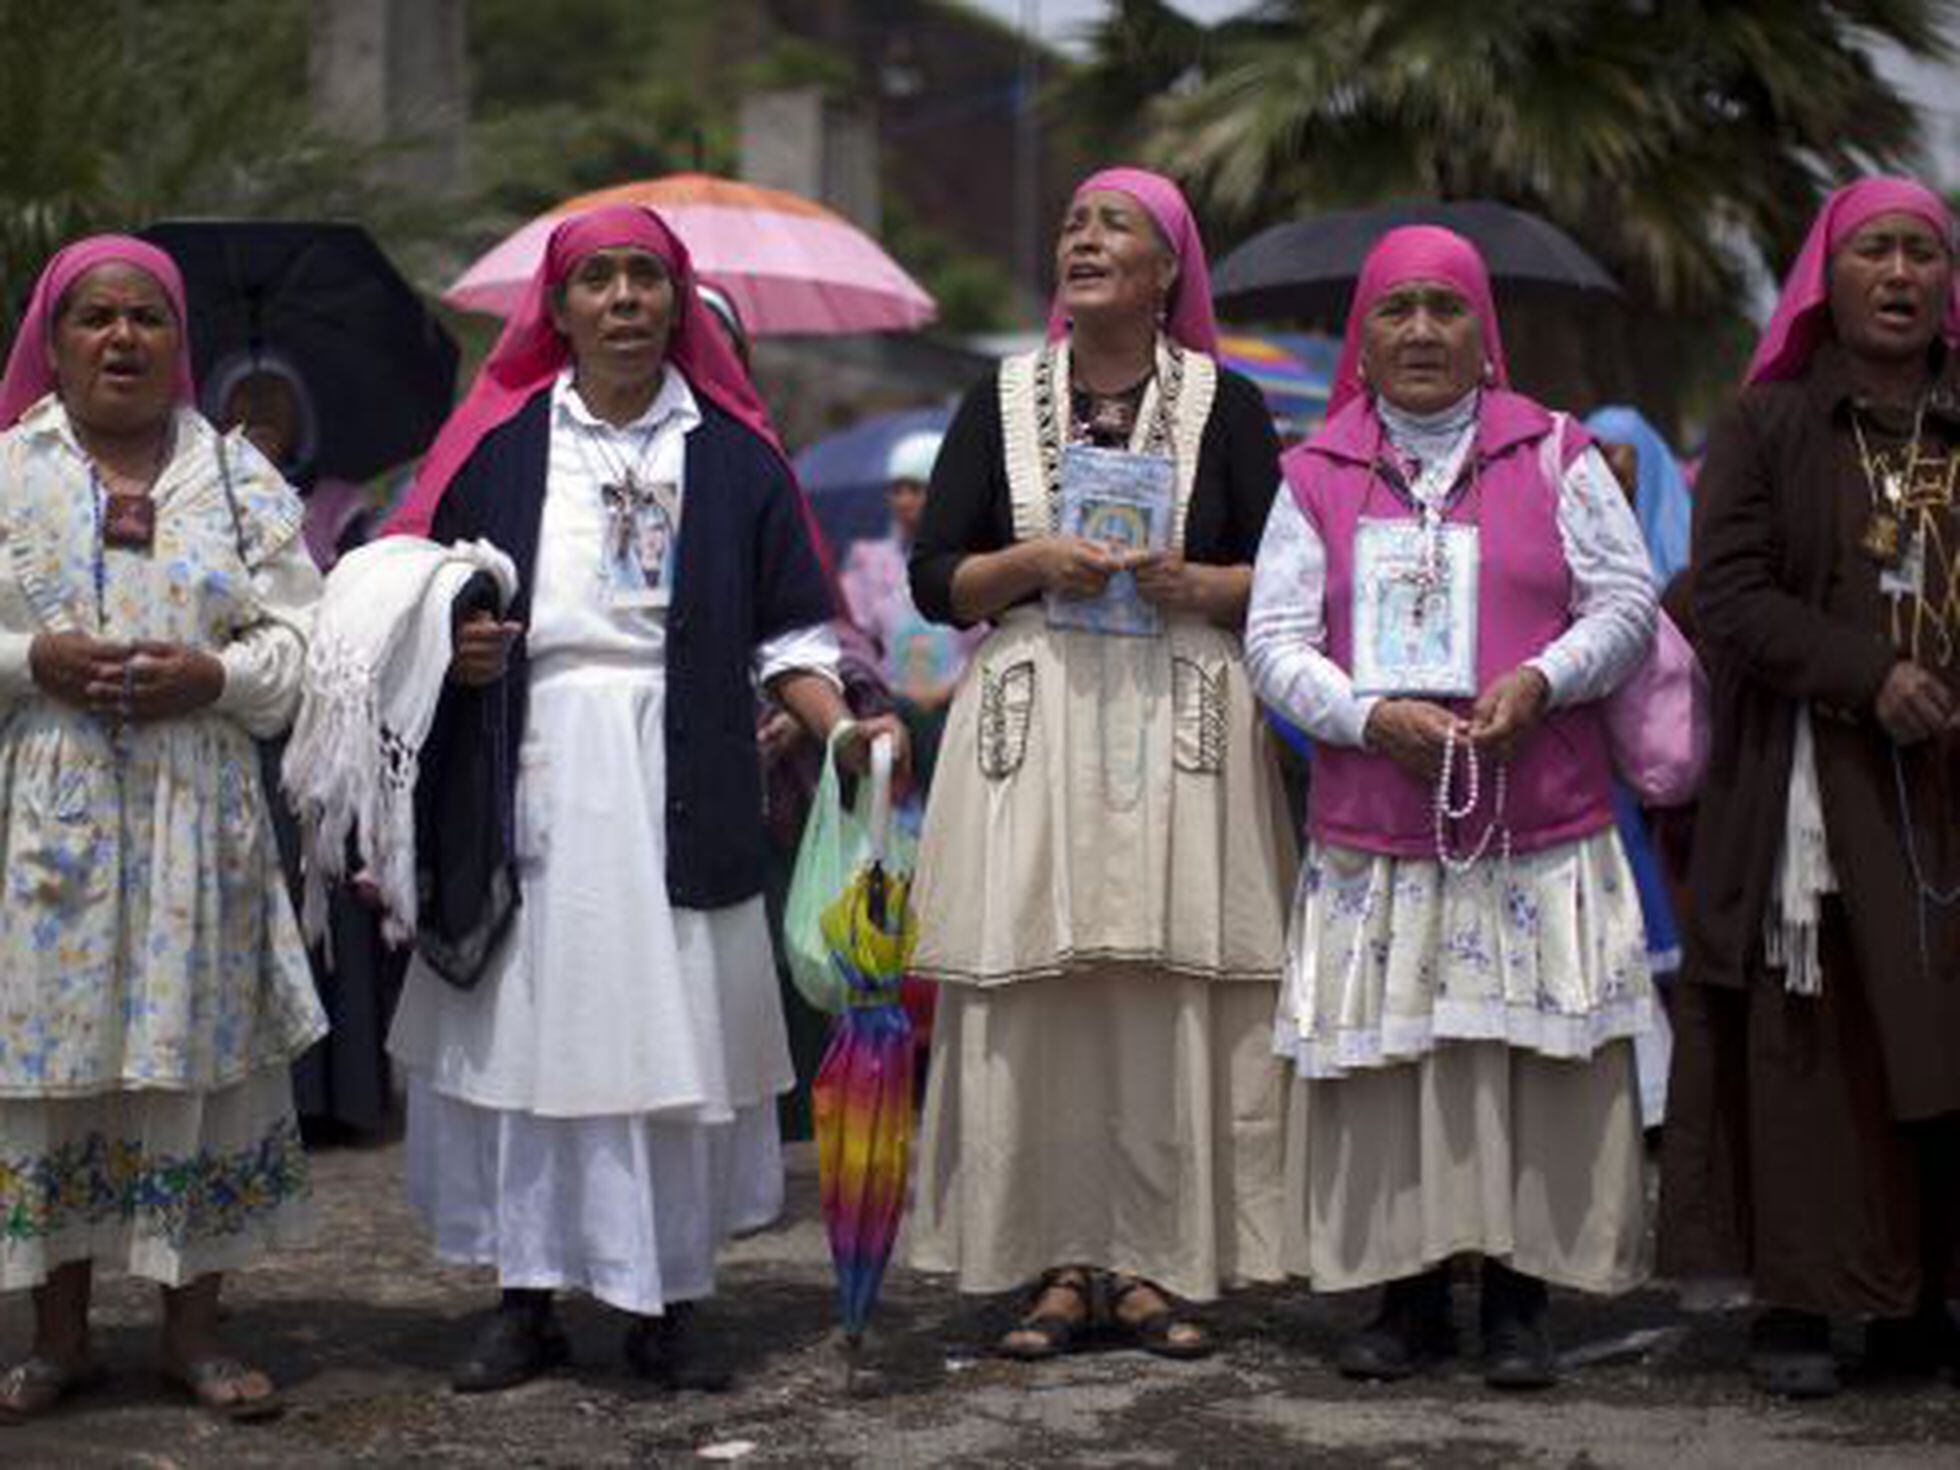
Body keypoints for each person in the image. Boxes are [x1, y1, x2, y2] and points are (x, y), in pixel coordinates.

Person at [380, 204, 904, 1393]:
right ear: (557, 310)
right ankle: (526, 1299)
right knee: (529, 1038)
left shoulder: (735, 459)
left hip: (686, 763)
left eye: (645, 278)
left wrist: (848, 739)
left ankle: (665, 1298)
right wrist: (450, 645)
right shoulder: (501, 446)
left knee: (670, 1037)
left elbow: (790, 638)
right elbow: (405, 588)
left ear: (677, 301)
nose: (622, 299)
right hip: (533, 758)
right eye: (598, 280)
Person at [1247, 226, 1659, 1388]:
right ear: (1360, 344)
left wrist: (1543, 680)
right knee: (1398, 1063)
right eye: (1395, 311)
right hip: (1381, 826)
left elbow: (1625, 603)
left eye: (1444, 309)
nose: (1420, 330)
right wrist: (1367, 714)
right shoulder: (1313, 475)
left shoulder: (1556, 454)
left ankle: (1522, 1303)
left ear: (1486, 337)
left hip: (1533, 824)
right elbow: (1273, 642)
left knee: (1526, 1060)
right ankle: (1407, 1299)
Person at [905, 167, 1296, 1360]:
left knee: (1169, 986)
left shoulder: (1225, 405)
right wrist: (1031, 560)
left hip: (1180, 710)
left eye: (1111, 225)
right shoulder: (1001, 396)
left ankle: (1158, 1264)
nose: (1082, 238)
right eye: (1072, 222)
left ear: (1169, 268)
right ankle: (1055, 1265)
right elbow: (938, 580)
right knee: (1042, 988)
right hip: (1040, 715)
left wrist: (1199, 585)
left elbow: (1283, 576)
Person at [0, 237, 326, 1421]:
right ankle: (58, 1340)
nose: (122, 338)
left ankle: (194, 1336)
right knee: (53, 1066)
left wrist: (218, 679)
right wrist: (30, 657)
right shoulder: (7, 471)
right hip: (52, 810)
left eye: (146, 317)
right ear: (53, 336)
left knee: (199, 1063)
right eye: (95, 317)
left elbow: (306, 649)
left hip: (201, 814)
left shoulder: (238, 481)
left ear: (178, 341)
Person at [1660, 177, 1960, 1399]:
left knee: (1939, 1037)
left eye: (1923, 255)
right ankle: (1797, 1299)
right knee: (1813, 1043)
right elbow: (1722, 593)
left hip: (1947, 786)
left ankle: (1916, 1301)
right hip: (1806, 780)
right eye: (1874, 252)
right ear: (1825, 280)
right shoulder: (1769, 422)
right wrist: (1864, 673)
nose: (1899, 275)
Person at [208, 352, 403, 1142]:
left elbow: (369, 594)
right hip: (234, 719)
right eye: (244, 397)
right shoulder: (194, 501)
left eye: (275, 398)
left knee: (326, 899)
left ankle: (339, 1094)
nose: (260, 411)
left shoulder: (340, 505)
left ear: (302, 415)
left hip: (323, 729)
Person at [840, 426, 983, 796]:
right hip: (888, 718)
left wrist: (944, 693)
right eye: (897, 489)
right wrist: (884, 693)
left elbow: (987, 640)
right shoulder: (869, 561)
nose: (905, 500)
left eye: (917, 489)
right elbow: (855, 641)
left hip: (956, 719)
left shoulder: (971, 563)